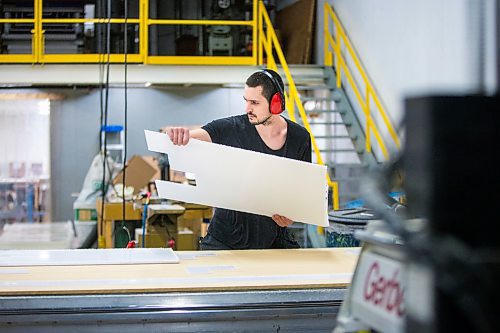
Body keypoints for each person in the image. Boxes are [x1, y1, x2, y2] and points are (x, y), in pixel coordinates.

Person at [167, 69, 311, 250]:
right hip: (226, 240)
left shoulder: (300, 138)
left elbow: (303, 191)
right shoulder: (231, 128)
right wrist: (177, 134)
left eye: (255, 103)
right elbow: (193, 136)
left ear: (275, 104)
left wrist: (293, 214)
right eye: (246, 101)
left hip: (272, 240)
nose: (247, 109)